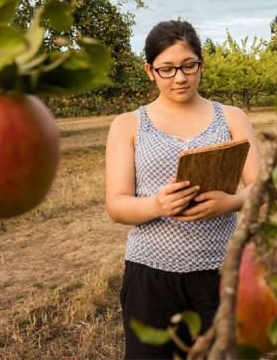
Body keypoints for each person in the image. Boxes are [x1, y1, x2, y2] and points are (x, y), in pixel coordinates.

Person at [105, 19, 261, 359]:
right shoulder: (128, 124)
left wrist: (230, 202)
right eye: (167, 69)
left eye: (189, 65)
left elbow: (261, 188)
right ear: (149, 70)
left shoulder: (232, 118)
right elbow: (116, 205)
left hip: (218, 270)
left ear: (201, 64)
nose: (180, 77)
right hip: (150, 274)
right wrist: (157, 205)